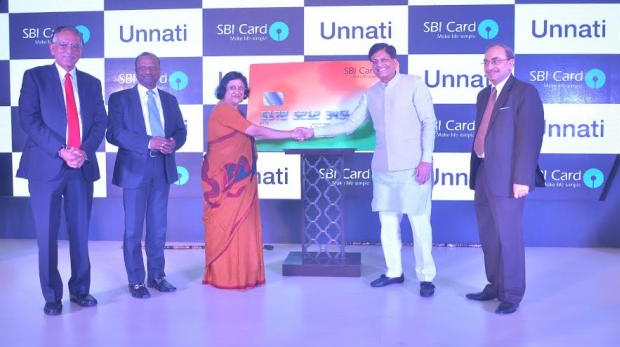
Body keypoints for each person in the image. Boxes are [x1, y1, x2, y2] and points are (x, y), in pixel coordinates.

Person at [314, 43, 437, 297]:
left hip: (414, 167)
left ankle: (426, 278)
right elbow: (350, 125)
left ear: (395, 62)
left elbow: (429, 122)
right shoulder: (371, 93)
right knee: (388, 224)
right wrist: (312, 132)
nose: (379, 65)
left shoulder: (414, 84)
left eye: (383, 60)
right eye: (375, 62)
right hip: (382, 169)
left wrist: (426, 160)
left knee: (419, 224)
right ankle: (394, 272)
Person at [17, 26, 107, 315]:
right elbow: (29, 119)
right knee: (46, 235)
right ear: (52, 48)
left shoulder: (92, 83)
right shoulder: (35, 77)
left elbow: (100, 123)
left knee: (80, 233)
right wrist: (61, 150)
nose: (70, 51)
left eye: (75, 46)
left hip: (80, 167)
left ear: (82, 50)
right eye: (64, 45)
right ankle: (52, 297)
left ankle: (80, 290)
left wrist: (83, 151)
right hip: (45, 167)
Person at [202, 71, 310, 289]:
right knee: (228, 226)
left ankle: (244, 274)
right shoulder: (223, 110)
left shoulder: (236, 111)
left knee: (243, 226)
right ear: (223, 90)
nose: (237, 91)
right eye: (232, 87)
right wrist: (292, 133)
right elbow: (256, 131)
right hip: (226, 184)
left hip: (240, 180)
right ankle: (227, 276)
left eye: (241, 88)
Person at [467, 44, 544, 315]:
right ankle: (495, 285)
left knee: (509, 237)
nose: (491, 66)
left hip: (509, 177)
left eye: (497, 60)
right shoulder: (483, 95)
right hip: (483, 173)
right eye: (486, 62)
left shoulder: (524, 92)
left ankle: (511, 294)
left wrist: (522, 178)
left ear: (511, 63)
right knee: (489, 235)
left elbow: (530, 138)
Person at [106, 52, 187, 299]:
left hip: (162, 167)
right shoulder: (120, 98)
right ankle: (136, 281)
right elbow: (114, 133)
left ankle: (157, 276)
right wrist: (148, 142)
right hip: (134, 170)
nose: (148, 71)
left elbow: (180, 131)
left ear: (159, 70)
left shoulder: (169, 100)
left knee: (158, 228)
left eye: (152, 67)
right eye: (143, 67)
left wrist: (174, 142)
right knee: (132, 230)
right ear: (136, 71)